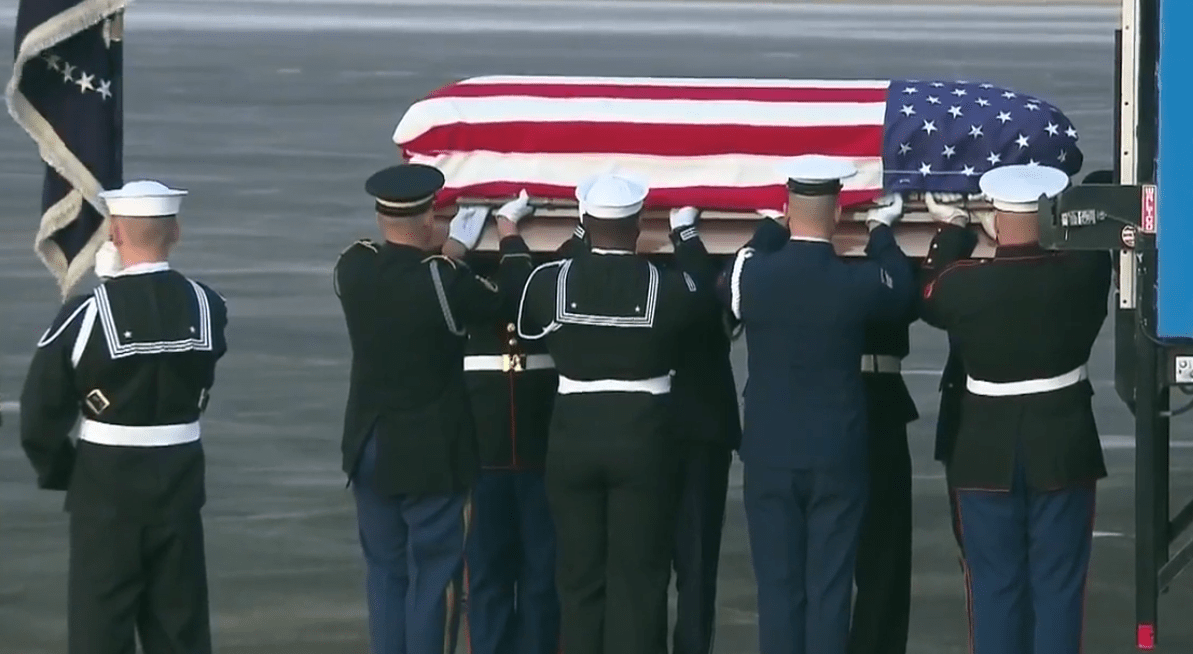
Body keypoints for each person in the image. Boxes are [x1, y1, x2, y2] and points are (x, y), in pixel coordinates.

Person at [716, 154, 915, 654]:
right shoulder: (856, 283)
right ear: (838, 214)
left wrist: (767, 233)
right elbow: (904, 289)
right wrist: (883, 233)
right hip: (836, 456)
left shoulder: (755, 276)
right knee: (829, 592)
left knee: (779, 592)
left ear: (786, 209)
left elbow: (731, 277)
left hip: (770, 454)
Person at [19, 180, 228, 654]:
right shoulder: (208, 306)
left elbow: (39, 413)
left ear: (112, 234)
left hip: (104, 483)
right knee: (181, 625)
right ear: (175, 231)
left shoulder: (85, 313)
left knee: (101, 626)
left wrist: (61, 472)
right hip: (180, 477)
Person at [334, 163, 534, 654]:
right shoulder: (444, 281)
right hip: (429, 454)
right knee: (435, 578)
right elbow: (512, 298)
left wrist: (448, 254)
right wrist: (508, 238)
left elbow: (403, 273)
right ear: (429, 221)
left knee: (384, 573)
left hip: (368, 443)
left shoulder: (353, 266)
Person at [515, 173, 713, 654]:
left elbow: (526, 325)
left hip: (572, 439)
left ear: (584, 221)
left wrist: (577, 237)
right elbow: (705, 297)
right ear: (640, 222)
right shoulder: (666, 287)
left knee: (579, 578)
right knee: (640, 579)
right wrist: (686, 236)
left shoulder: (549, 281)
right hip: (643, 438)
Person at [918, 164, 1111, 654]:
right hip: (1063, 446)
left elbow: (929, 289)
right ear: (1050, 215)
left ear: (995, 219)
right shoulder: (1085, 271)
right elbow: (1102, 202)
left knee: (995, 589)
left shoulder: (964, 285)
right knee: (1060, 589)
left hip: (985, 452)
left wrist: (954, 229)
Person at [454, 191, 564, 654]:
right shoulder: (471, 294)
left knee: (540, 579)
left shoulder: (540, 290)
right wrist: (509, 234)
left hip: (532, 459)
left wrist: (502, 232)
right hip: (493, 462)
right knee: (491, 580)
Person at [663, 211, 741, 654]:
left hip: (698, 427)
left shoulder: (721, 256)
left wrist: (688, 238)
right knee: (645, 569)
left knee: (695, 568)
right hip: (661, 428)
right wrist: (688, 237)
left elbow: (715, 298)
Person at [847, 277, 919, 654]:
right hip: (868, 394)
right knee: (883, 558)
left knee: (883, 560)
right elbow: (911, 299)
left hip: (876, 397)